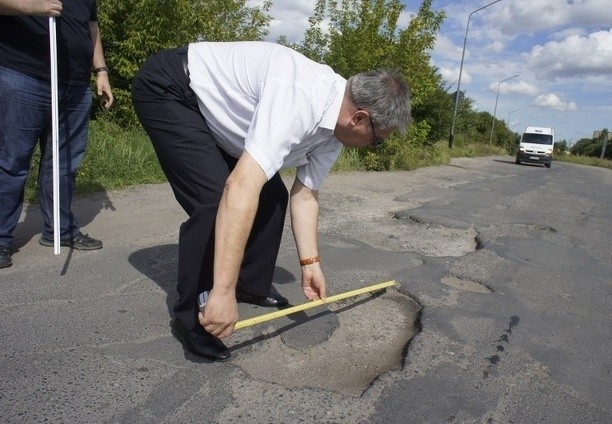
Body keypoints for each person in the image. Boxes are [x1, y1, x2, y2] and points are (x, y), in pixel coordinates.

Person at [131, 41, 411, 362]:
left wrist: (311, 264)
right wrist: (222, 293)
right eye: (377, 141)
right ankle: (197, 315)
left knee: (273, 195)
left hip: (217, 114)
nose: (371, 146)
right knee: (214, 201)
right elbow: (239, 188)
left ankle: (249, 284)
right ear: (359, 118)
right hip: (173, 90)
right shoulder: (300, 97)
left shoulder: (335, 130)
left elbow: (305, 195)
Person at [0, 0, 114, 269]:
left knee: (64, 164)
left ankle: (59, 230)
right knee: (13, 161)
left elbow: (91, 27)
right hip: (23, 75)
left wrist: (101, 71)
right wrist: (31, 6)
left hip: (74, 85)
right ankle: (1, 237)